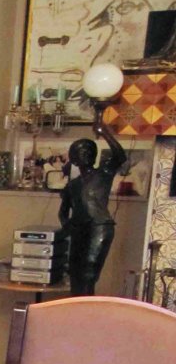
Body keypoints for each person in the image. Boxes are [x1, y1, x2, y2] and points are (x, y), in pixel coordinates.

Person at [58, 122, 127, 296]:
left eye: (90, 151)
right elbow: (63, 211)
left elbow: (119, 156)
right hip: (79, 229)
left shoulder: (103, 173)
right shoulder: (72, 185)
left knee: (89, 273)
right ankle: (76, 307)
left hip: (99, 227)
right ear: (74, 159)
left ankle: (86, 308)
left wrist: (105, 133)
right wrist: (68, 226)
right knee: (75, 272)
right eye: (82, 151)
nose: (87, 154)